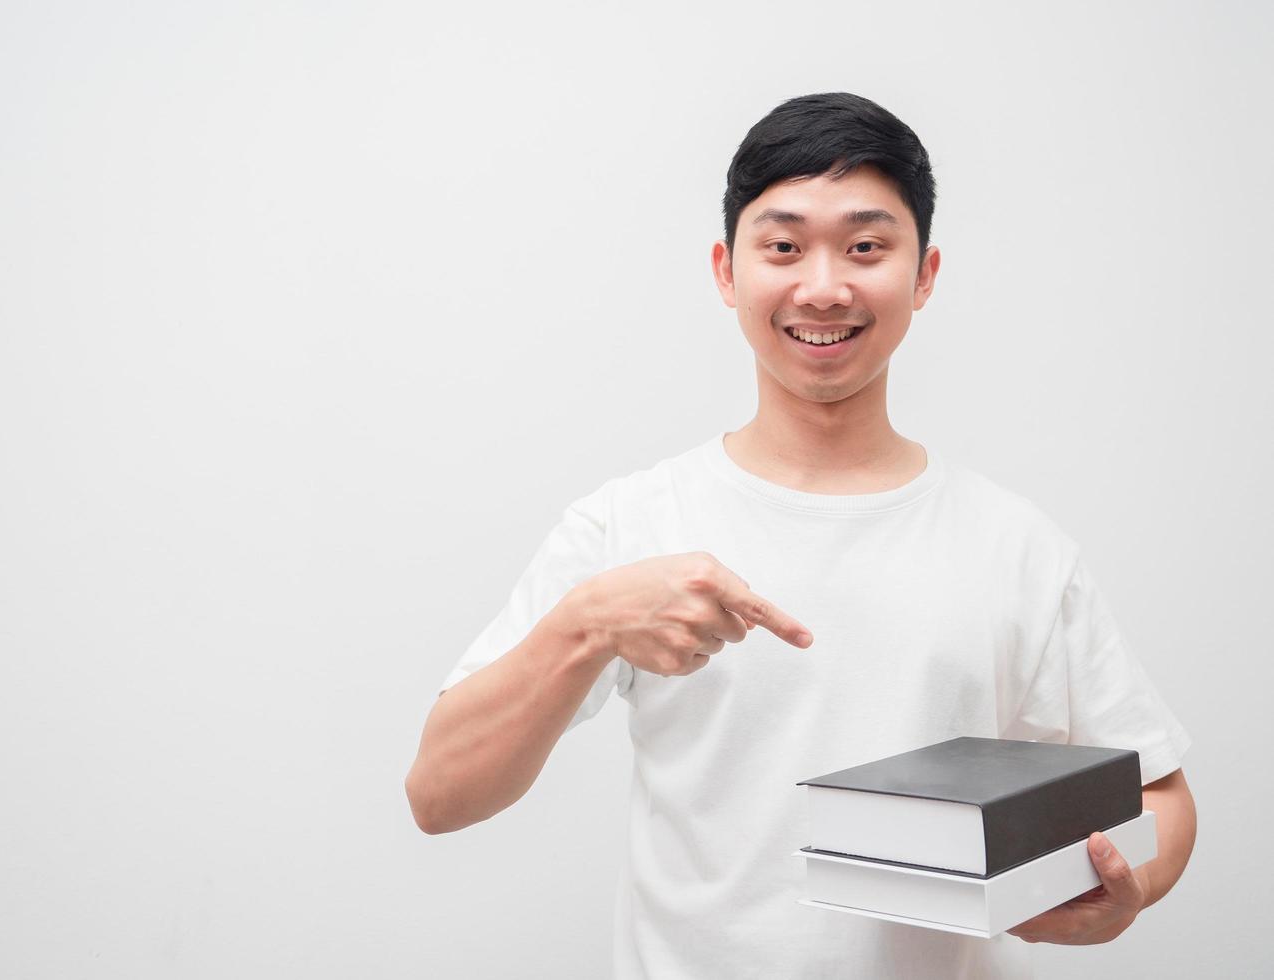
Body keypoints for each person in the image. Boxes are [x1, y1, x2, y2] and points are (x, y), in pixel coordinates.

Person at [405, 92, 1197, 978]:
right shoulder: (630, 525)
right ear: (725, 270)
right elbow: (440, 795)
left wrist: (1124, 890)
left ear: (924, 274)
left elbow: (1157, 793)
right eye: (782, 246)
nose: (822, 287)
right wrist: (586, 625)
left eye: (865, 246)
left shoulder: (1015, 545)